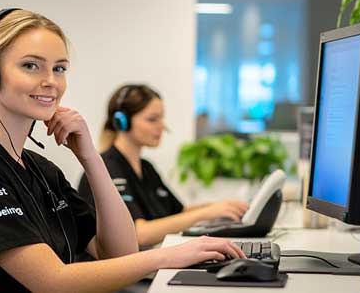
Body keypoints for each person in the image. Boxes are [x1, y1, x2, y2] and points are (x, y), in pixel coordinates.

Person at [0, 9, 245, 293]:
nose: (51, 81)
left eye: (59, 68)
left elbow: (119, 253)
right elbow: (52, 281)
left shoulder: (40, 169)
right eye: (31, 66)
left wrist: (91, 158)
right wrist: (169, 256)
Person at [78, 84, 249, 247]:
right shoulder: (106, 168)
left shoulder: (146, 168)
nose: (162, 126)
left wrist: (220, 207)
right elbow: (138, 233)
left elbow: (179, 213)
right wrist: (206, 213)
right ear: (122, 122)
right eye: (152, 119)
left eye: (162, 118)